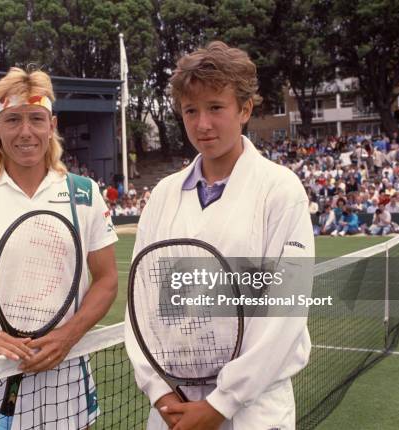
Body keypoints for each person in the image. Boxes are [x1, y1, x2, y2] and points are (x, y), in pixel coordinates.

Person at [125, 41, 314, 430]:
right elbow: (140, 301)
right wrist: (158, 390)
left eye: (215, 107)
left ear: (244, 109)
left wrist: (221, 404)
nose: (202, 124)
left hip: (254, 410)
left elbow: (285, 310)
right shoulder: (162, 195)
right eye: (191, 111)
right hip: (173, 406)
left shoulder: (280, 189)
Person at [0, 67, 118, 429]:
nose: (26, 131)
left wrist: (68, 336)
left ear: (52, 126)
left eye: (36, 119)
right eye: (13, 119)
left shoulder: (84, 191)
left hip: (66, 371)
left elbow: (107, 279)